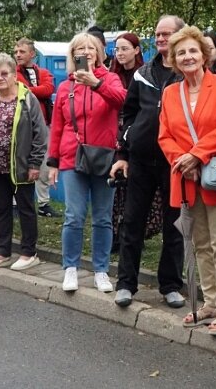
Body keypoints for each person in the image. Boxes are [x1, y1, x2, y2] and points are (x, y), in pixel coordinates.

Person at [158, 25, 216, 335]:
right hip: (187, 179)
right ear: (174, 61)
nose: (188, 56)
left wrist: (197, 155)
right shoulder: (169, 93)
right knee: (200, 244)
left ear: (203, 55)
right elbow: (164, 135)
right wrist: (183, 161)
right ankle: (211, 302)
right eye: (181, 53)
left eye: (193, 50)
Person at [111, 15, 186, 308]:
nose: (161, 38)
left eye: (167, 33)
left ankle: (170, 285)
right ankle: (126, 284)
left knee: (174, 225)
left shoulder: (189, 74)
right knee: (132, 222)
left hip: (176, 162)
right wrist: (124, 152)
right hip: (141, 160)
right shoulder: (143, 73)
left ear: (181, 35)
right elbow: (127, 115)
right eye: (157, 34)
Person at [46, 33, 126, 292]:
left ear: (99, 53)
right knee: (73, 216)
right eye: (80, 48)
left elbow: (122, 101)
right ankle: (71, 268)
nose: (86, 51)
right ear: (73, 55)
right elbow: (58, 126)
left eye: (91, 47)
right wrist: (54, 161)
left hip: (104, 158)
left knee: (103, 218)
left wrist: (96, 84)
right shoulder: (66, 87)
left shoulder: (110, 79)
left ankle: (101, 271)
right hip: (72, 157)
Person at [0, 53, 47, 271]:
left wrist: (34, 163)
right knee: (1, 208)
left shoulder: (27, 99)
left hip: (21, 166)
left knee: (25, 208)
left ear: (14, 75)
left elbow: (40, 134)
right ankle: (3, 250)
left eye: (4, 73)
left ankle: (28, 252)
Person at [108, 32, 162, 252]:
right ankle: (118, 234)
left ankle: (141, 231)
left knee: (146, 192)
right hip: (119, 137)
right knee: (120, 189)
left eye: (124, 49)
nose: (120, 54)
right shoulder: (111, 75)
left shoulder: (147, 75)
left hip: (141, 137)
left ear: (137, 50)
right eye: (117, 49)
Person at [13, 37, 59, 218]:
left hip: (43, 124)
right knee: (19, 162)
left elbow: (49, 88)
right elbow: (19, 88)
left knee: (44, 164)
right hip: (21, 125)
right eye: (16, 52)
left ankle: (43, 203)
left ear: (32, 54)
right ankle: (16, 203)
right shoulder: (12, 72)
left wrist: (29, 89)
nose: (18, 55)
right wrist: (35, 89)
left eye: (22, 52)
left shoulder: (44, 72)